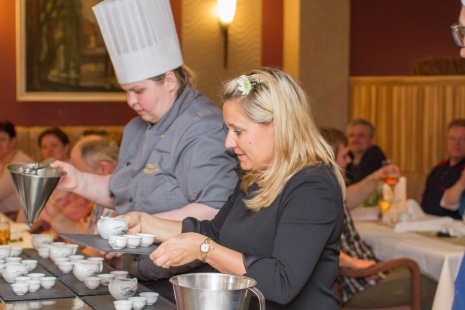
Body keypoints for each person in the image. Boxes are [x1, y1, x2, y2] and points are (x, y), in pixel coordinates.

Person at [114, 68, 345, 309]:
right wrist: (146, 223)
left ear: (278, 126)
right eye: (228, 129)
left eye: (238, 131)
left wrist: (203, 250)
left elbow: (281, 283)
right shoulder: (255, 177)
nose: (228, 142)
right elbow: (214, 232)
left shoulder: (312, 186)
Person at [51, 0, 238, 281]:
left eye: (138, 90)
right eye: (126, 91)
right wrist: (77, 180)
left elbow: (214, 209)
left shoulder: (202, 128)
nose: (130, 101)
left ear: (170, 81)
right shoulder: (137, 128)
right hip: (138, 272)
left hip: (182, 280)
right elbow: (121, 193)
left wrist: (138, 227)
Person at [320, 127, 436, 309]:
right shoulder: (321, 195)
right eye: (344, 156)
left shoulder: (328, 188)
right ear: (328, 158)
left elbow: (348, 198)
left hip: (365, 276)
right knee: (431, 285)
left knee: (422, 275)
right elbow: (319, 246)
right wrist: (355, 263)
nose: (350, 160)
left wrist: (375, 178)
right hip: (357, 285)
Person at [422, 119, 465, 219]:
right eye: (453, 139)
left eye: (463, 139)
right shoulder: (438, 169)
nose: (457, 144)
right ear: (446, 142)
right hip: (426, 222)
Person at [0, 120, 34, 219]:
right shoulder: (2, 161)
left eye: (2, 139)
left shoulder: (21, 164)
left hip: (16, 219)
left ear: (13, 141)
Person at [346, 119, 386, 184]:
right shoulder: (347, 157)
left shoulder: (374, 155)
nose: (355, 139)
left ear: (371, 139)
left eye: (361, 135)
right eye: (351, 135)